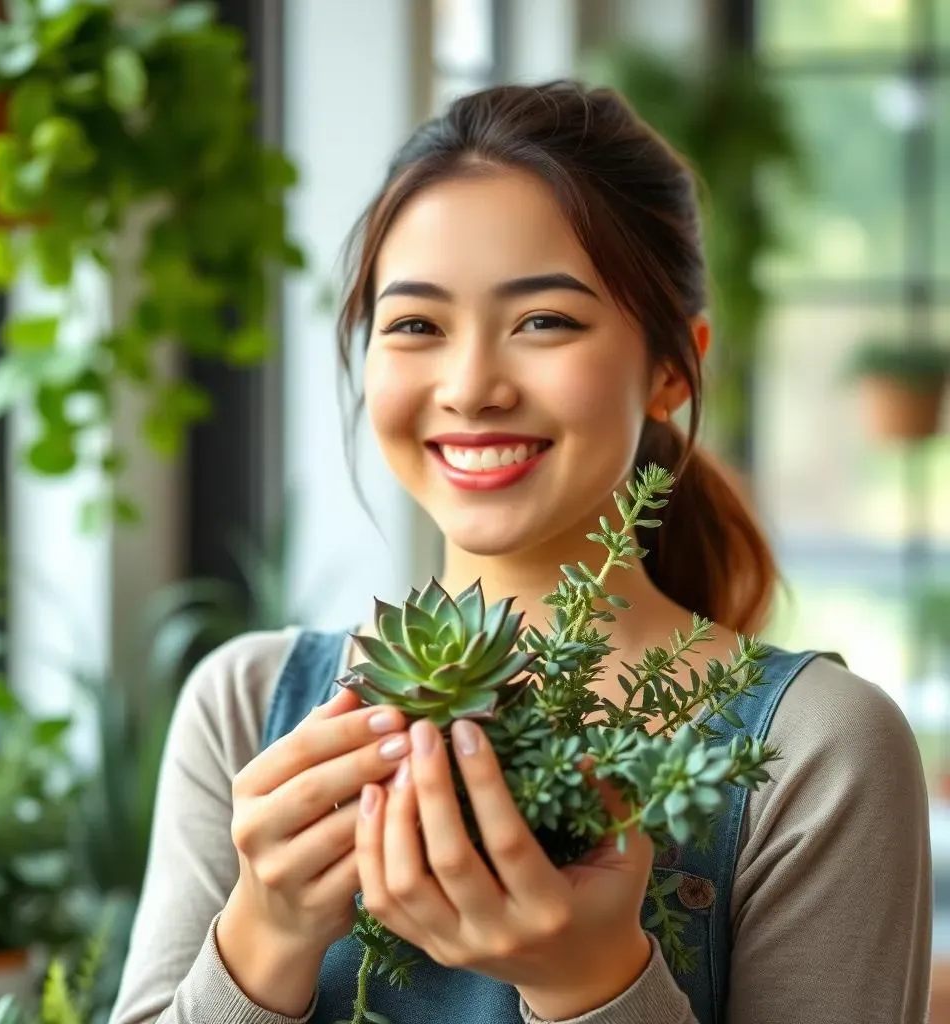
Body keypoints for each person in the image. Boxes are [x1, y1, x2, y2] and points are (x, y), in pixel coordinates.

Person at [109, 81, 931, 1024]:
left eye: (544, 321)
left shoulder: (819, 752)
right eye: (416, 325)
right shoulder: (247, 706)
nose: (470, 387)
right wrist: (266, 934)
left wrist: (592, 981)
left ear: (672, 369)